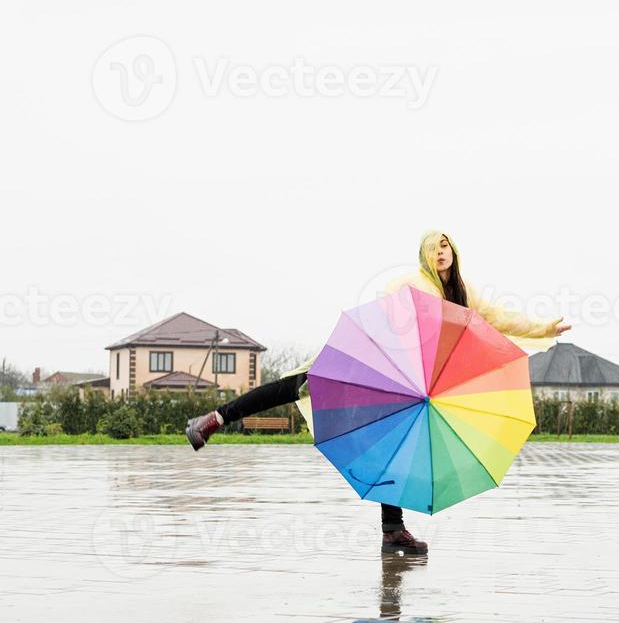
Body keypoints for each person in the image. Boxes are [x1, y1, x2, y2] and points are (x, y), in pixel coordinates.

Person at [184, 231, 570, 555]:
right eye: (434, 246)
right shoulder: (413, 283)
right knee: (295, 385)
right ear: (424, 254)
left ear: (454, 253)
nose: (440, 251)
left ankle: (392, 530)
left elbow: (499, 318)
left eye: (445, 245)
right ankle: (214, 419)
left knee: (396, 438)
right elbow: (392, 308)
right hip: (374, 362)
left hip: (415, 378)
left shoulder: (462, 293)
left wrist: (544, 329)